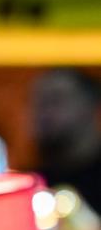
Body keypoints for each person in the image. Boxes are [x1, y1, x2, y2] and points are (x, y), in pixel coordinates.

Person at [33, 68, 101, 216]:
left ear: (89, 107)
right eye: (39, 103)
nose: (45, 113)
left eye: (56, 100)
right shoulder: (34, 184)